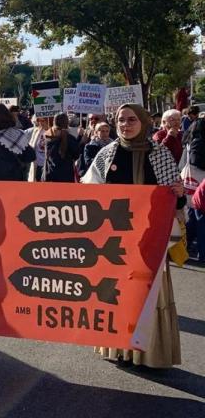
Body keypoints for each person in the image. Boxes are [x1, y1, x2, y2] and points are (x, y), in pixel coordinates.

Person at [82, 104, 183, 369]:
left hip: (150, 239)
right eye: (120, 120)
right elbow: (88, 192)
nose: (125, 124)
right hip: (115, 240)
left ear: (145, 122)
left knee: (148, 293)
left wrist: (178, 192)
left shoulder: (160, 154)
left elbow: (176, 202)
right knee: (118, 293)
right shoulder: (107, 154)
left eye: (131, 119)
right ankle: (120, 351)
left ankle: (148, 354)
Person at [43, 113, 81, 183]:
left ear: (54, 122)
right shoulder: (70, 139)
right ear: (67, 123)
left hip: (50, 175)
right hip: (66, 177)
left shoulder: (47, 136)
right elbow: (76, 155)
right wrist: (81, 139)